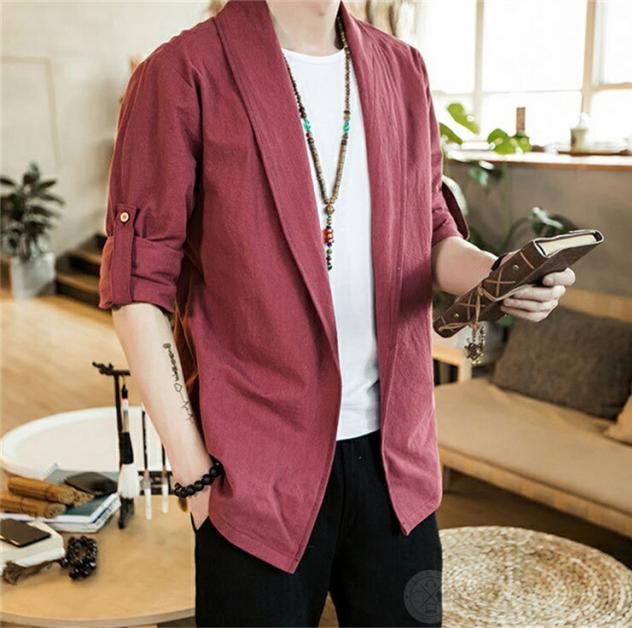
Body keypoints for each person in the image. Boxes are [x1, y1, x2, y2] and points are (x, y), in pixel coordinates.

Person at [98, 0, 575, 625]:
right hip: (255, 472)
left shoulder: (402, 68)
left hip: (397, 469)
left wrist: (499, 276)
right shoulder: (182, 73)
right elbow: (138, 288)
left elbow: (431, 235)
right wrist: (194, 475)